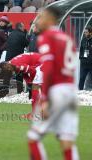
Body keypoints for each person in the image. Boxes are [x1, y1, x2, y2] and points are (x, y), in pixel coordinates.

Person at [27, 7, 79, 160]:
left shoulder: (47, 36)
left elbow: (48, 68)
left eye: (41, 17)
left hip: (57, 91)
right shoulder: (66, 37)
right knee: (67, 139)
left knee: (33, 137)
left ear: (50, 18)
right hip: (69, 91)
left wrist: (44, 98)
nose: (38, 20)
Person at [0, 52, 42, 119]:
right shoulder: (12, 64)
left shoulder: (17, 65)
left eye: (8, 70)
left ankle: (36, 114)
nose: (9, 72)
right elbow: (25, 73)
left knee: (36, 90)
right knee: (38, 90)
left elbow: (33, 71)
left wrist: (32, 81)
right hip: (39, 62)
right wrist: (29, 82)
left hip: (41, 63)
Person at [5, 22, 28, 93]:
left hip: (8, 57)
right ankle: (19, 90)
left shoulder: (11, 34)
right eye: (23, 26)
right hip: (17, 58)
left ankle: (5, 89)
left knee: (8, 74)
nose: (24, 28)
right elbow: (26, 43)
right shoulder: (22, 35)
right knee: (19, 73)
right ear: (20, 27)